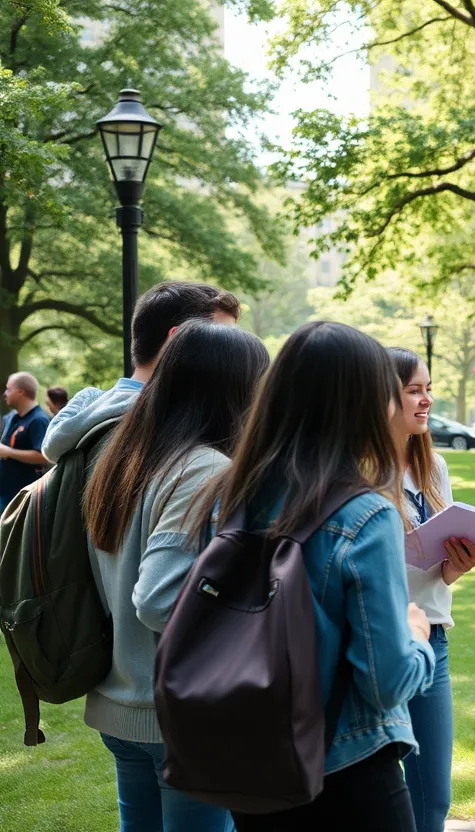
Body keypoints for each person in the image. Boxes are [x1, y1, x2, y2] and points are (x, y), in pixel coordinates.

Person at [195, 322, 436, 831]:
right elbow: (388, 680)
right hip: (346, 761)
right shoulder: (365, 513)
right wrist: (419, 638)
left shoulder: (232, 493)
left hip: (251, 753)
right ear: (365, 403)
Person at [80, 321, 269, 832]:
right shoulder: (204, 469)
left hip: (124, 702)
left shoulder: (124, 458)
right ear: (235, 389)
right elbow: (158, 598)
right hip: (181, 718)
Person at [388, 347, 475, 832]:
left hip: (433, 639)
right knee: (377, 792)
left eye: (428, 389)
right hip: (376, 640)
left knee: (432, 795)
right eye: (414, 391)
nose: (426, 400)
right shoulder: (355, 472)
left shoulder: (434, 468)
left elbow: (436, 571)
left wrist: (457, 566)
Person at [42, 280, 242, 465]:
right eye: (220, 339)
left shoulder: (89, 412)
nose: (231, 352)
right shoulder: (174, 430)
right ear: (176, 340)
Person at [0, 372, 51, 511]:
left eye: (8, 389)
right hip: (6, 494)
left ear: (20, 392)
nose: (5, 393)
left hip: (23, 499)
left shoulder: (38, 420)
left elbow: (43, 456)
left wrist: (9, 452)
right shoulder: (13, 418)